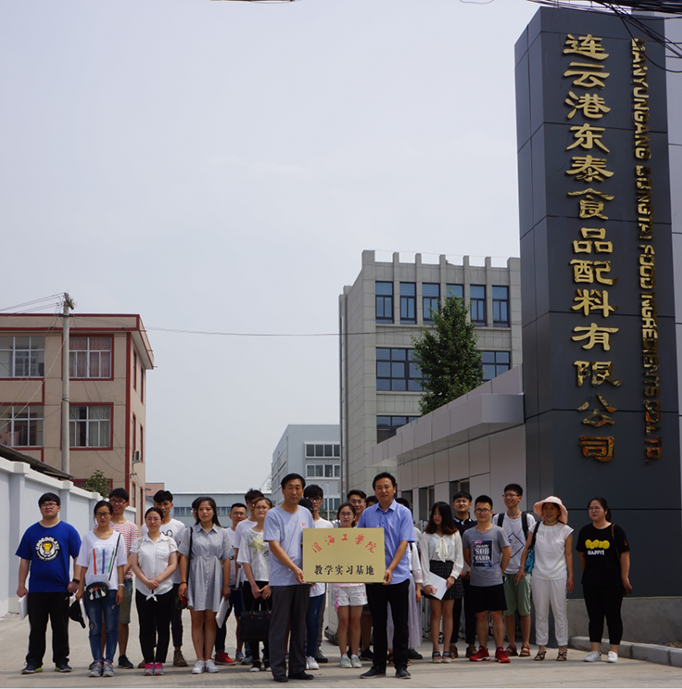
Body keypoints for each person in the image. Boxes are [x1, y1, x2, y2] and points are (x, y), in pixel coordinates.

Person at [16, 492, 82, 674]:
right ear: (40, 508)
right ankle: (33, 661)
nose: (48, 507)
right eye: (44, 504)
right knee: (36, 628)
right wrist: (21, 585)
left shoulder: (68, 531)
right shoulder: (31, 532)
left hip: (60, 588)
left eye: (52, 504)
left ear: (58, 507)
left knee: (60, 627)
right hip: (37, 589)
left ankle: (61, 660)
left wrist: (76, 581)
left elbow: (78, 557)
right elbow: (24, 560)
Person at [357, 472, 414, 680]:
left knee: (400, 622)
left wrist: (390, 568)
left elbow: (403, 543)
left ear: (394, 489)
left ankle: (401, 665)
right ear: (374, 490)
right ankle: (378, 665)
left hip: (398, 576)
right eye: (379, 487)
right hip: (374, 577)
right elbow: (358, 541)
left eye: (387, 486)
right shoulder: (367, 514)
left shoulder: (403, 512)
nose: (383, 490)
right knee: (378, 622)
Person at [264, 473, 315, 682]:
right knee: (280, 625)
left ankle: (297, 668)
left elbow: (312, 543)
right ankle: (278, 669)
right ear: (283, 490)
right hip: (282, 579)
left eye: (298, 487)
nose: (294, 491)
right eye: (290, 487)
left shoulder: (306, 514)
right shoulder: (273, 514)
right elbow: (274, 546)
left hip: (302, 579)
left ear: (302, 490)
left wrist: (312, 570)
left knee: (300, 625)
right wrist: (294, 568)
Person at [178, 496, 232, 674]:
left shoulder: (222, 533)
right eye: (200, 509)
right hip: (196, 578)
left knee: (211, 620)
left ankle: (209, 658)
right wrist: (183, 581)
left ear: (214, 511)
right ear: (196, 512)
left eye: (208, 509)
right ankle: (199, 660)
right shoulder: (190, 532)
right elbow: (184, 557)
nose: (204, 512)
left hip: (216, 578)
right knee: (197, 620)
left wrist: (226, 585)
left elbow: (226, 559)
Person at [75, 500, 128, 678]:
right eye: (99, 514)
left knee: (112, 627)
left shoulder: (118, 538)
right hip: (92, 589)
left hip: (111, 589)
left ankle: (109, 662)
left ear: (111, 515)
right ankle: (97, 661)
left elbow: (121, 565)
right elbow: (83, 564)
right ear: (95, 516)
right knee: (95, 627)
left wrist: (120, 587)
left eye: (106, 513)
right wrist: (80, 588)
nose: (103, 517)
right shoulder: (88, 537)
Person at [517, 496, 573, 662]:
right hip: (538, 575)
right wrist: (521, 567)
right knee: (540, 612)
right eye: (546, 508)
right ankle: (541, 648)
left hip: (559, 575)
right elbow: (527, 548)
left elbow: (568, 554)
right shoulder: (535, 527)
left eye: (552, 508)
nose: (548, 512)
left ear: (559, 511)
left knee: (559, 612)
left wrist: (571, 576)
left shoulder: (566, 530)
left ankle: (562, 648)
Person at [576, 497, 631, 664]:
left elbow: (624, 555)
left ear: (605, 511)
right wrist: (588, 573)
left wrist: (624, 577)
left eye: (597, 508)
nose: (593, 511)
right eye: (591, 508)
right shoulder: (585, 531)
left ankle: (613, 651)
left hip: (612, 581)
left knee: (613, 616)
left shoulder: (615, 530)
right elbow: (581, 555)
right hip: (591, 582)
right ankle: (595, 651)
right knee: (595, 617)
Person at [461, 495, 511, 664]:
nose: (482, 513)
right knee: (481, 616)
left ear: (491, 512)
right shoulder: (468, 533)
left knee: (497, 615)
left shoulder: (498, 532)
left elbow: (507, 553)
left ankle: (500, 650)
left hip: (495, 581)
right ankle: (482, 649)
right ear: (474, 511)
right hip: (476, 582)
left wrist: (499, 571)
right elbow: (467, 556)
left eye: (485, 510)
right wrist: (476, 570)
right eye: (479, 510)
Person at [130, 507, 178, 676]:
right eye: (149, 518)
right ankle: (148, 660)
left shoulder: (169, 542)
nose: (152, 522)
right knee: (145, 627)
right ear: (145, 521)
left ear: (161, 521)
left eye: (156, 518)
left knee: (163, 626)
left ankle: (159, 662)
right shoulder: (138, 542)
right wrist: (146, 581)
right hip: (143, 590)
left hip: (164, 589)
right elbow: (134, 564)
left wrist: (158, 580)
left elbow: (173, 564)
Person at [493, 483, 535, 658]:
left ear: (519, 498)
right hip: (503, 571)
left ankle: (526, 644)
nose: (508, 498)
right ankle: (511, 644)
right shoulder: (498, 519)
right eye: (506, 495)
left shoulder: (528, 519)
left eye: (512, 495)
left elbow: (531, 546)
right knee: (508, 611)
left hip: (522, 571)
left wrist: (523, 568)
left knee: (524, 610)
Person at [149, 489, 189, 667]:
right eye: (159, 504)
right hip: (154, 582)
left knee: (175, 619)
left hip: (173, 581)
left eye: (166, 504)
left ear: (171, 505)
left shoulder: (179, 526)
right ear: (154, 505)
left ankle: (177, 651)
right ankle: (151, 653)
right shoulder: (147, 525)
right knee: (153, 620)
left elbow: (182, 553)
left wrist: (182, 580)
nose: (163, 507)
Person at [420, 501, 463, 663]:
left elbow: (459, 557)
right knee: (436, 613)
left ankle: (447, 649)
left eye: (440, 514)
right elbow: (424, 559)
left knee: (448, 613)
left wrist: (453, 576)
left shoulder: (454, 533)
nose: (436, 517)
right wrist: (426, 582)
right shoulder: (427, 534)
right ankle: (435, 649)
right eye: (434, 514)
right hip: (434, 572)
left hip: (450, 573)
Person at [238, 497, 273, 672]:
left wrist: (270, 585)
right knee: (251, 619)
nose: (261, 510)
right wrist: (252, 584)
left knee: (270, 620)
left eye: (264, 507)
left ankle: (269, 658)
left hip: (271, 582)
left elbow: (280, 561)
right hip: (251, 582)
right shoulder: (247, 533)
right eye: (258, 507)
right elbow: (244, 560)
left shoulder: (276, 533)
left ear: (270, 510)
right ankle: (256, 660)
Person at [231, 488, 264, 665]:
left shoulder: (272, 525)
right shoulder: (242, 526)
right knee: (249, 617)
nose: (255, 507)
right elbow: (239, 555)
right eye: (252, 504)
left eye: (259, 503)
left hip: (268, 580)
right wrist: (239, 580)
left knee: (268, 617)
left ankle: (268, 654)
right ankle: (251, 653)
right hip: (248, 579)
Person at [332, 502, 366, 668]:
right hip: (339, 584)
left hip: (358, 583)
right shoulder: (332, 536)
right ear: (339, 516)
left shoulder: (361, 534)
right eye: (343, 513)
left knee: (355, 621)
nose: (346, 516)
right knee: (343, 621)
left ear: (354, 516)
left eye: (349, 514)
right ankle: (343, 655)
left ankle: (354, 654)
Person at [108, 487, 139, 670]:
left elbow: (132, 554)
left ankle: (122, 655)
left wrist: (118, 575)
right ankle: (103, 657)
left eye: (120, 501)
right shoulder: (102, 524)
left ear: (126, 504)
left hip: (124, 580)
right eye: (113, 500)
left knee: (122, 621)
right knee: (103, 621)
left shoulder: (131, 527)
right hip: (103, 581)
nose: (116, 504)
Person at [303, 484, 333, 671]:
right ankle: (300, 650)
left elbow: (329, 552)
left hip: (319, 578)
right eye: (310, 498)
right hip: (298, 578)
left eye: (317, 498)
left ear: (321, 501)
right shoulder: (298, 523)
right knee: (300, 618)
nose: (313, 502)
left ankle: (315, 650)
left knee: (316, 617)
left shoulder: (326, 525)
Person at [214, 502, 247, 665]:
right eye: (235, 513)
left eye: (241, 513)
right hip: (225, 584)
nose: (238, 516)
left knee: (242, 619)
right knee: (221, 618)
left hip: (242, 584)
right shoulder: (224, 534)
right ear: (230, 516)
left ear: (246, 516)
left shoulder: (248, 533)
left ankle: (240, 651)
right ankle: (219, 651)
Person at [391, 497, 423, 662]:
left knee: (406, 619)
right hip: (388, 579)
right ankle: (391, 651)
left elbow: (416, 565)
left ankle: (404, 652)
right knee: (390, 620)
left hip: (407, 579)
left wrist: (418, 587)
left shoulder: (411, 542)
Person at [348, 489, 374, 662]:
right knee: (349, 616)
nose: (356, 505)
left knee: (366, 614)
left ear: (365, 504)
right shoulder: (344, 524)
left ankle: (365, 648)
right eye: (353, 501)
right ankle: (351, 648)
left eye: (359, 501)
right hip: (349, 577)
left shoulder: (370, 522)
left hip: (368, 574)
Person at [451, 491, 477, 658]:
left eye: (464, 501)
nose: (461, 503)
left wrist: (472, 568)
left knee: (471, 610)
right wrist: (455, 570)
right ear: (453, 505)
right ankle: (452, 645)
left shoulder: (476, 525)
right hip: (454, 574)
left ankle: (471, 645)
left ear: (470, 505)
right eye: (458, 501)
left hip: (472, 573)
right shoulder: (448, 525)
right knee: (453, 611)